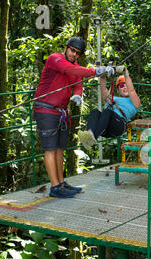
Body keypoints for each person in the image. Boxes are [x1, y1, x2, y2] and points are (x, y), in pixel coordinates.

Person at [34, 36, 115, 198]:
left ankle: (61, 183)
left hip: (61, 112)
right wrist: (97, 71)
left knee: (59, 148)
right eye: (72, 50)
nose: (74, 55)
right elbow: (71, 71)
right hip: (46, 109)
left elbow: (78, 83)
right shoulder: (54, 59)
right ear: (66, 47)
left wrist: (78, 95)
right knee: (50, 148)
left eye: (78, 53)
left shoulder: (76, 66)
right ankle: (55, 187)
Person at [79, 66, 140, 150]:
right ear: (118, 90)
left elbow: (132, 90)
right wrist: (102, 75)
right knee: (95, 111)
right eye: (122, 85)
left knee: (107, 112)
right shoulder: (112, 98)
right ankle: (90, 133)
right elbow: (103, 89)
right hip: (104, 128)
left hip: (118, 126)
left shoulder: (134, 101)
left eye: (126, 85)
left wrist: (126, 74)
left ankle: (93, 139)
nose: (125, 87)